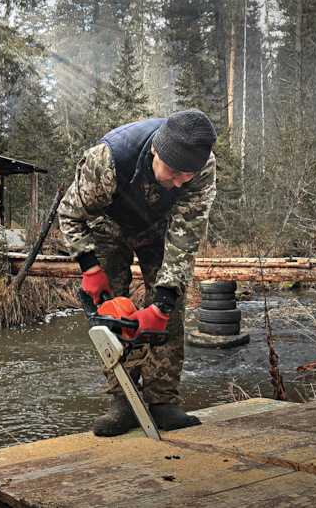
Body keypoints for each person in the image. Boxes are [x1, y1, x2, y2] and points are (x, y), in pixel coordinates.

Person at [58, 109, 217, 436]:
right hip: (107, 228)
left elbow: (186, 236)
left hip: (160, 230)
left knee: (170, 306)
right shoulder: (106, 162)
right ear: (156, 151)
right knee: (111, 310)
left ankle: (162, 399)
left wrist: (162, 301)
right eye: (172, 173)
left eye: (185, 177)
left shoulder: (200, 169)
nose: (178, 183)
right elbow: (69, 216)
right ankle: (123, 399)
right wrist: (89, 267)